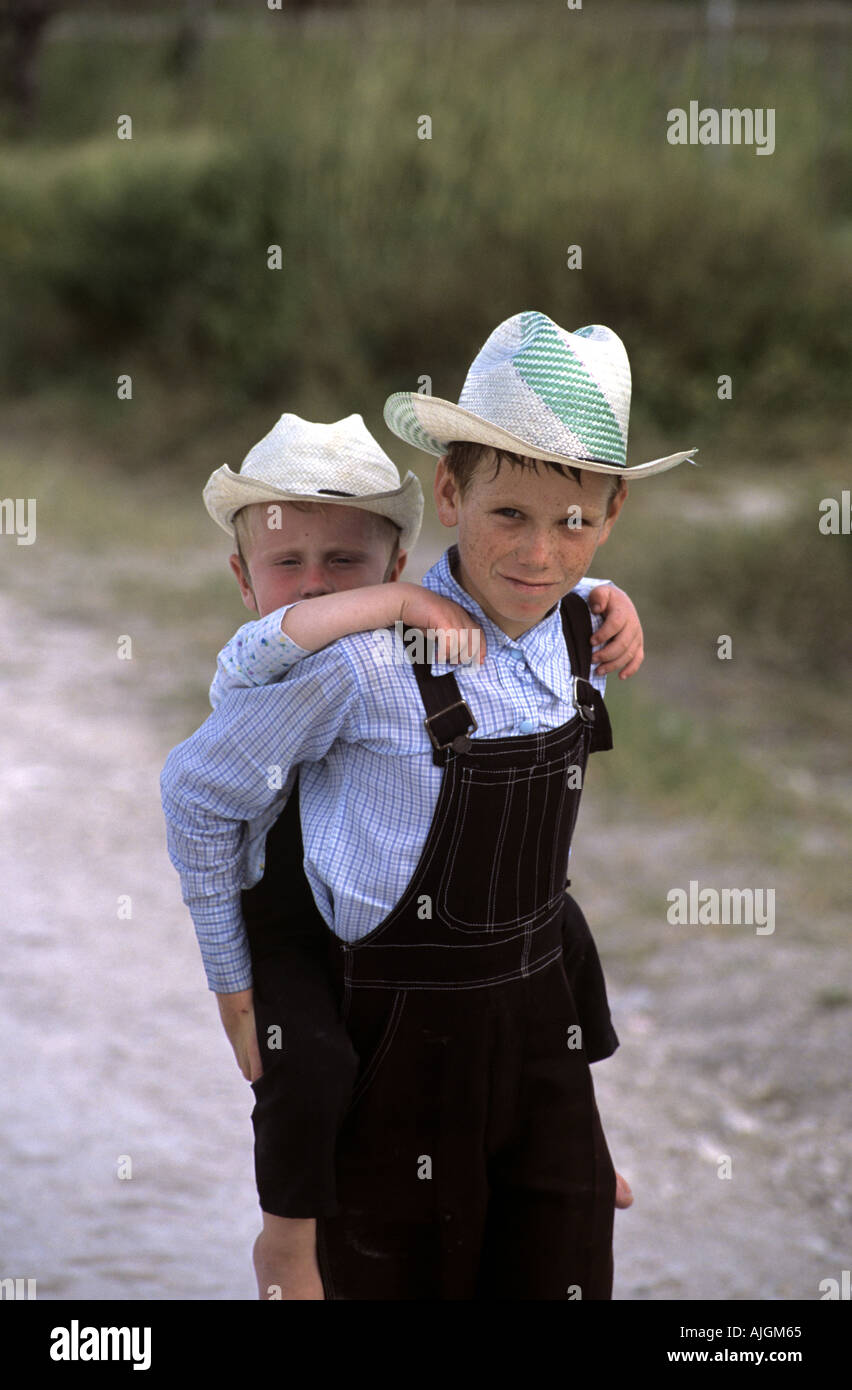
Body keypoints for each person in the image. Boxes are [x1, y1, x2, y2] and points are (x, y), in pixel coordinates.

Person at [162, 312, 696, 1298]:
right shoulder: (362, 665)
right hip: (398, 1047)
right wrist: (234, 986)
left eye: (573, 522)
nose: (541, 553)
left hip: (536, 1039)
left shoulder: (587, 632)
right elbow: (197, 790)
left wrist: (611, 600)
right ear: (449, 493)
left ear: (612, 512)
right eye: (508, 517)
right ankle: (289, 1238)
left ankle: (575, 1159)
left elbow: (569, 590)